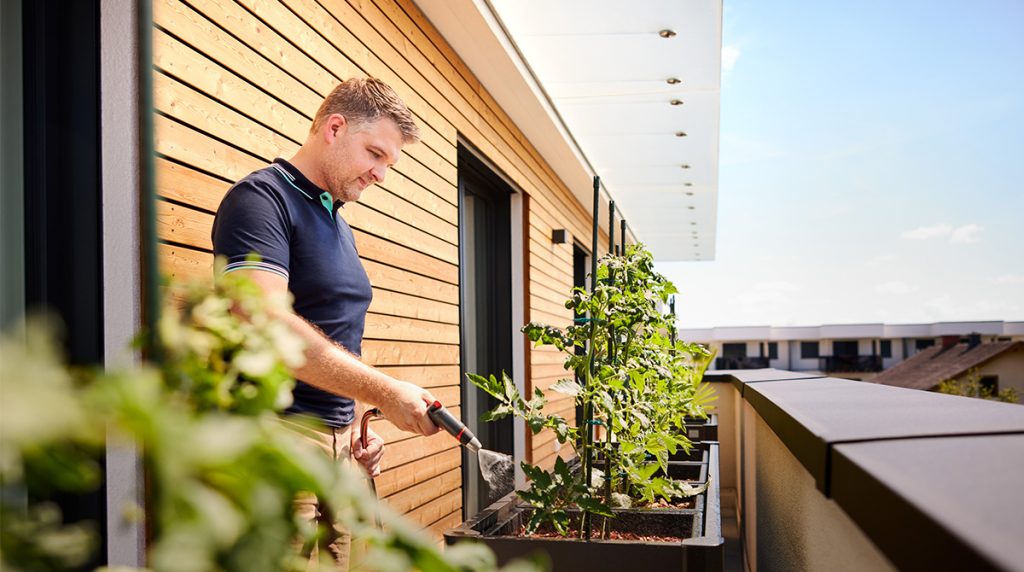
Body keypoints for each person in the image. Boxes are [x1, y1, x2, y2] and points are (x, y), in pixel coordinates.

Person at [211, 77, 440, 568]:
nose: (381, 174)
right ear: (334, 127)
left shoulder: (336, 218)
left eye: (389, 164)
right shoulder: (261, 200)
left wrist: (355, 423)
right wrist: (384, 391)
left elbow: (332, 332)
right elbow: (266, 327)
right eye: (374, 154)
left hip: (341, 452)